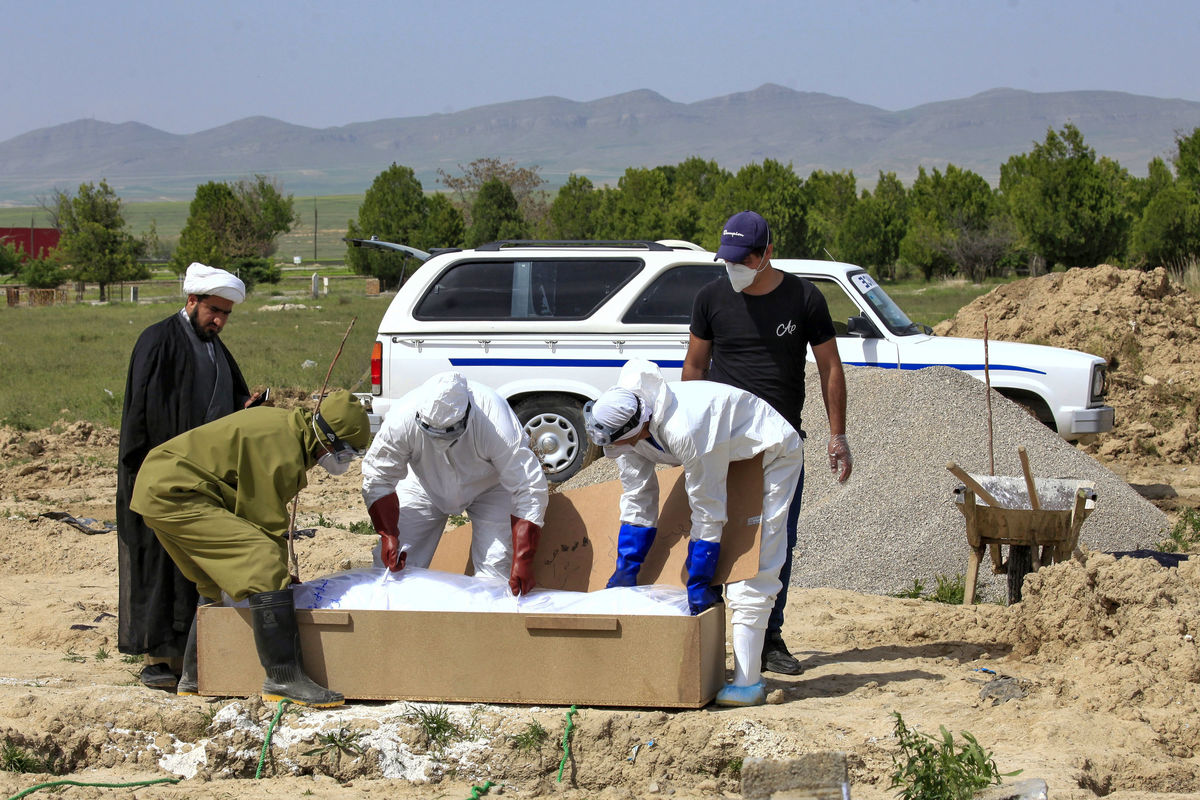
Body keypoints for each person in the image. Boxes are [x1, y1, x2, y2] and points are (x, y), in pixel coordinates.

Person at [683, 210, 853, 676]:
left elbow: (830, 368)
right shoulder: (710, 298)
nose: (732, 268)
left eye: (741, 260)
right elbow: (695, 368)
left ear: (766, 255)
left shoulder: (804, 298)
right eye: (727, 260)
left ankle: (769, 638)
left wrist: (837, 436)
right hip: (722, 444)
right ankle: (710, 629)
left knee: (779, 539)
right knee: (714, 532)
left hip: (781, 446)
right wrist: (691, 437)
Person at [585, 358, 805, 707]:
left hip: (768, 449)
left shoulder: (685, 428)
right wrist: (627, 568)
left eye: (619, 443)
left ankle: (748, 682)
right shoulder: (622, 426)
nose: (615, 449)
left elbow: (708, 509)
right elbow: (638, 497)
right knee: (707, 565)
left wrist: (700, 577)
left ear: (639, 430)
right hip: (722, 450)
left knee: (755, 561)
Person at [130, 390, 370, 708]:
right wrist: (276, 580)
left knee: (219, 580)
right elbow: (263, 522)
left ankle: (198, 676)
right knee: (263, 564)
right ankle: (284, 678)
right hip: (176, 492)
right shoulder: (281, 445)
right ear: (327, 437)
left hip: (163, 487)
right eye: (344, 452)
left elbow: (255, 512)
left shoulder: (290, 433)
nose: (344, 461)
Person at [116, 262, 267, 692]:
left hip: (201, 478)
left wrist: (247, 408)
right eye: (213, 311)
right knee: (159, 565)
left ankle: (190, 655)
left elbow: (228, 398)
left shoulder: (215, 347)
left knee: (192, 568)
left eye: (225, 314)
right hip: (160, 475)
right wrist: (150, 472)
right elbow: (142, 415)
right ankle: (158, 660)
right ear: (192, 301)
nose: (218, 320)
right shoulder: (158, 340)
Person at [361, 372, 547, 595]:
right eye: (431, 432)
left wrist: (523, 559)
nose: (440, 441)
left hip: (490, 486)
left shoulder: (495, 421)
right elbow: (378, 476)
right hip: (424, 483)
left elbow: (527, 488)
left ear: (467, 415)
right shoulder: (401, 418)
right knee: (393, 564)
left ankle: (483, 623)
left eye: (449, 433)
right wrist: (388, 533)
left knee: (496, 573)